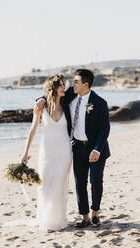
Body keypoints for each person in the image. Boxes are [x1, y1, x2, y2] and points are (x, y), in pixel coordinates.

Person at [35, 69, 110, 228]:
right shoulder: (70, 95)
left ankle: (95, 213)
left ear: (85, 84)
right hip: (76, 148)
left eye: (76, 81)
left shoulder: (100, 103)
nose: (71, 84)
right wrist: (41, 99)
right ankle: (85, 217)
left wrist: (97, 149)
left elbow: (105, 129)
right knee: (79, 183)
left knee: (96, 180)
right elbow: (52, 95)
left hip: (96, 148)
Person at [21, 74, 72, 232]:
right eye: (61, 85)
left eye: (64, 84)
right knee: (44, 186)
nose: (64, 87)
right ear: (53, 88)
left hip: (64, 151)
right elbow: (32, 131)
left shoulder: (67, 102)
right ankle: (45, 218)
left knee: (59, 185)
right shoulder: (41, 107)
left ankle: (56, 220)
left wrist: (41, 97)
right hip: (47, 152)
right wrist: (25, 153)